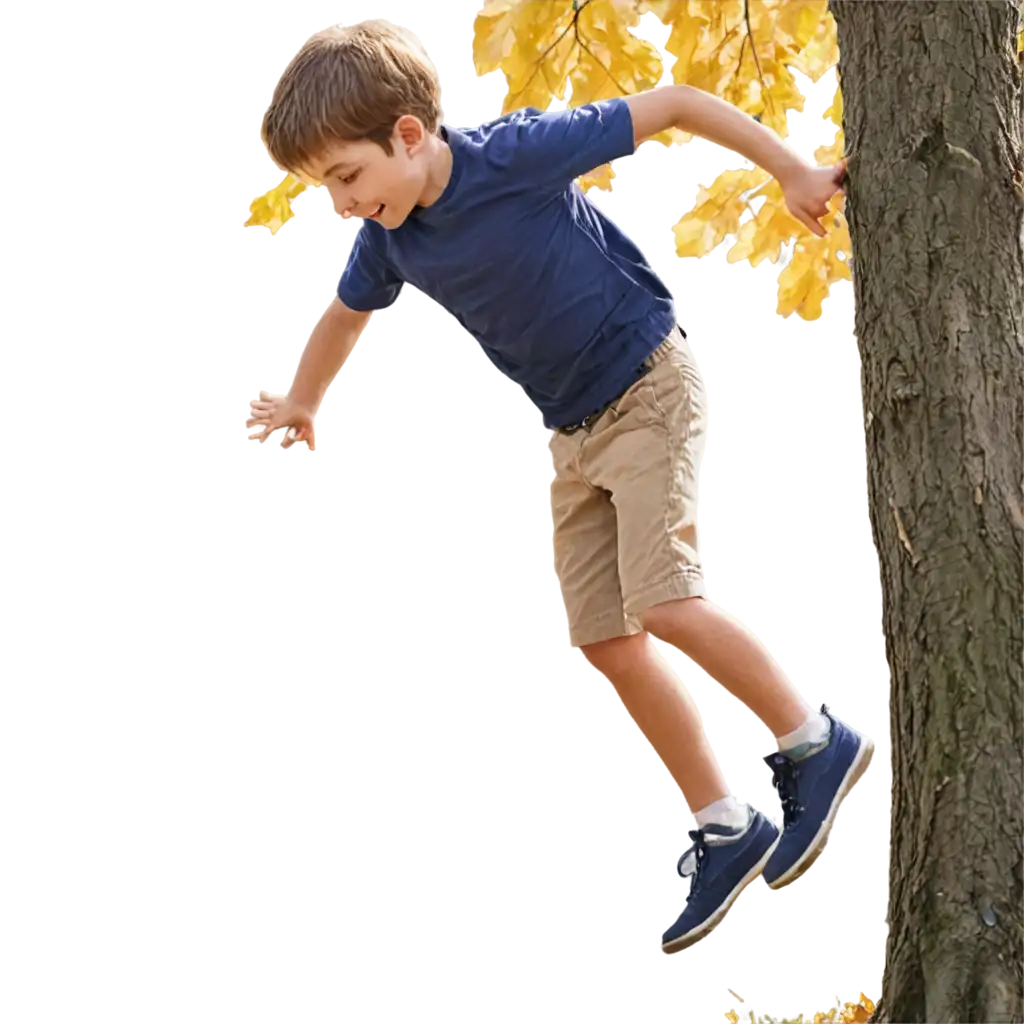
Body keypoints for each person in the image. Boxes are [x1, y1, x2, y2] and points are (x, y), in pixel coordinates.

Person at [244, 21, 874, 951]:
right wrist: (304, 400)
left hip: (648, 387)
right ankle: (724, 827)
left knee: (663, 602)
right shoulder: (390, 237)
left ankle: (812, 740)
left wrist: (791, 172)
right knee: (605, 640)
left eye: (346, 176)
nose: (341, 203)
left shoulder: (515, 156)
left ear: (410, 136)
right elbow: (341, 317)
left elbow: (674, 104)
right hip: (573, 433)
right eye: (325, 188)